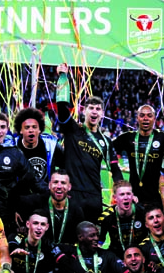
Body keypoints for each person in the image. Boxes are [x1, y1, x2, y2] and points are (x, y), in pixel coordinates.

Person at [53, 63, 123, 221]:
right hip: (72, 194)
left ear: (102, 114)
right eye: (91, 108)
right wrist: (63, 77)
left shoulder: (106, 141)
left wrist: (121, 189)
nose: (94, 111)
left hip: (94, 197)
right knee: (69, 239)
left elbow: (115, 169)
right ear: (84, 111)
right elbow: (62, 107)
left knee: (91, 240)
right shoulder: (72, 129)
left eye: (98, 109)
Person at [0, 112, 48, 229]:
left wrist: (53, 190)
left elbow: (33, 179)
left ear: (7, 129)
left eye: (2, 127)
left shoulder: (15, 153)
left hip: (6, 213)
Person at [112, 105, 164, 206]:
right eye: (142, 115)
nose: (145, 118)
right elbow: (106, 147)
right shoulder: (127, 137)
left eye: (149, 116)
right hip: (133, 197)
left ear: (154, 118)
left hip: (156, 197)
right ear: (137, 118)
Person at [2, 209, 61, 273]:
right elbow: (12, 244)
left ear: (46, 227)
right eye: (35, 223)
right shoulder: (17, 237)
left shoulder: (48, 244)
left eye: (42, 224)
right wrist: (15, 249)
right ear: (28, 224)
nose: (39, 227)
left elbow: (63, 259)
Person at [16, 169, 85, 245]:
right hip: (41, 251)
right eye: (55, 182)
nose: (59, 186)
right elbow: (15, 199)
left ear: (69, 187)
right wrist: (15, 211)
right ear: (49, 185)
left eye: (63, 183)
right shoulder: (36, 202)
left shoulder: (76, 209)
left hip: (65, 253)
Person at [98, 180, 148, 259]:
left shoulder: (143, 212)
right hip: (116, 256)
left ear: (132, 196)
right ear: (115, 198)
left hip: (140, 254)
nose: (126, 197)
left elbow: (153, 237)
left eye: (128, 194)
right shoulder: (106, 217)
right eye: (122, 194)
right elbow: (99, 243)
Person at [12, 107, 64, 182]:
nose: (31, 130)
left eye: (34, 127)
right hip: (20, 193)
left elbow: (67, 166)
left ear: (39, 130)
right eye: (27, 127)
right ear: (20, 130)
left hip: (45, 192)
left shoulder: (51, 146)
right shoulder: (13, 146)